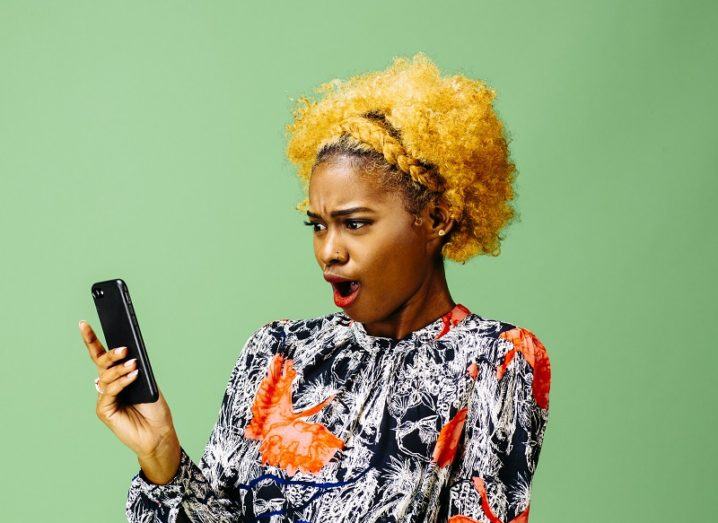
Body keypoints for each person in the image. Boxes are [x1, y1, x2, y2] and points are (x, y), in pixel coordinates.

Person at [80, 53, 552, 523]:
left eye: (355, 224)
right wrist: (161, 456)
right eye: (318, 225)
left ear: (435, 219)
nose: (329, 251)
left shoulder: (497, 361)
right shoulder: (276, 353)